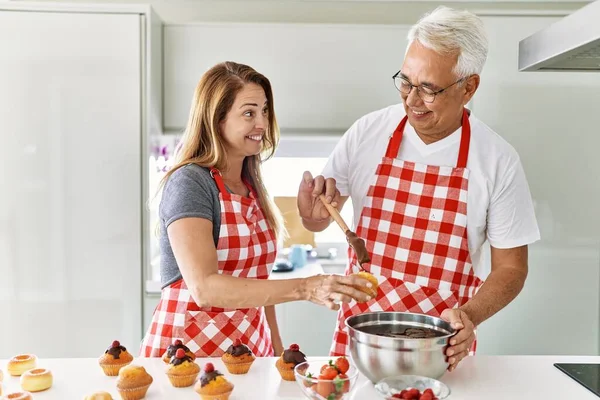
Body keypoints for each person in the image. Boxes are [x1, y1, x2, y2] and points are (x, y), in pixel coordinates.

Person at [297, 7, 540, 370]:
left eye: (428, 89)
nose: (411, 100)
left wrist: (470, 316)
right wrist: (309, 214)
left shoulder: (497, 160)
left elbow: (511, 269)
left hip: (440, 350)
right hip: (358, 346)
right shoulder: (368, 133)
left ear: (468, 87)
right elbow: (319, 219)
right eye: (406, 82)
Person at [140, 61, 372, 358]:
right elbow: (205, 289)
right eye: (249, 113)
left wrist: (277, 354)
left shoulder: (252, 186)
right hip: (186, 355)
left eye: (264, 111)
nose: (262, 123)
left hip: (250, 349)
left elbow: (260, 284)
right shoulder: (191, 183)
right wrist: (305, 288)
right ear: (216, 119)